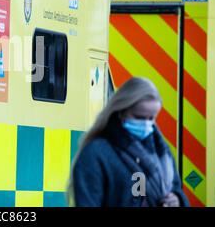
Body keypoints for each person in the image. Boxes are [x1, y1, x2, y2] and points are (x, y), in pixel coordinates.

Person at [68, 77, 189, 207]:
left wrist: (178, 200)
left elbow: (176, 187)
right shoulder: (96, 153)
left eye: (151, 118)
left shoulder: (161, 151)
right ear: (121, 111)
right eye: (139, 117)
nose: (146, 124)